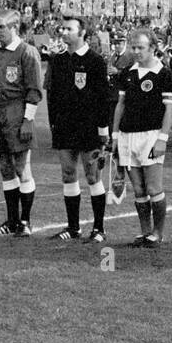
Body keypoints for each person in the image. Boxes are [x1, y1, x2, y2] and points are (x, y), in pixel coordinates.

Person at [44, 16, 113, 242]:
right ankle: (73, 228)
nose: (64, 32)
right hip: (64, 126)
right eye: (62, 28)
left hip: (89, 127)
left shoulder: (95, 61)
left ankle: (99, 228)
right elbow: (52, 96)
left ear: (82, 33)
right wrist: (53, 122)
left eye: (69, 29)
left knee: (93, 177)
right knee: (68, 175)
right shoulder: (58, 60)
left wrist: (103, 127)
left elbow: (103, 98)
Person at [0, 9, 43, 236]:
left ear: (14, 27)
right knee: (5, 168)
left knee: (22, 167)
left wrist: (27, 120)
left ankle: (25, 221)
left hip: (17, 111)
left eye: (1, 27)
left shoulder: (27, 52)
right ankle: (11, 221)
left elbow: (34, 90)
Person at [112, 29, 172, 247]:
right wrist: (114, 135)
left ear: (152, 47)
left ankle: (158, 233)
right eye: (134, 47)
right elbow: (120, 105)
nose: (137, 51)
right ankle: (145, 232)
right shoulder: (128, 73)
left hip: (151, 136)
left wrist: (162, 138)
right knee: (138, 189)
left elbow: (170, 109)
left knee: (153, 188)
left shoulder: (163, 74)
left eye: (141, 47)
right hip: (127, 136)